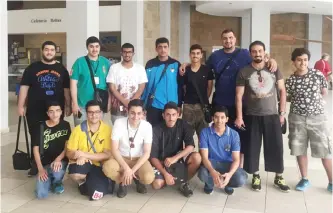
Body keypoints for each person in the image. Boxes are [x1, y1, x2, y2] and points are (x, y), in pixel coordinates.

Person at [180, 28, 277, 167]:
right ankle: (213, 162)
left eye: (230, 38)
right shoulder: (215, 56)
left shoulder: (244, 53)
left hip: (242, 103)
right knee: (218, 134)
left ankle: (238, 167)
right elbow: (201, 67)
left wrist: (272, 60)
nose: (228, 40)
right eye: (225, 38)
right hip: (220, 102)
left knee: (239, 137)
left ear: (235, 39)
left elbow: (260, 59)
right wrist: (187, 64)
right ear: (221, 40)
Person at [235, 40, 290, 193]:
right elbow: (238, 96)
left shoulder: (274, 69)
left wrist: (282, 113)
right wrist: (239, 117)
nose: (257, 54)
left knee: (276, 146)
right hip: (251, 115)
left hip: (272, 115)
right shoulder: (244, 71)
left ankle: (279, 176)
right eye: (254, 51)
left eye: (260, 51)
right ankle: (256, 175)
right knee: (252, 147)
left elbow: (282, 91)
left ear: (265, 52)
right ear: (250, 53)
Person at [18, 41, 71, 177]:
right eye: (46, 49)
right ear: (42, 51)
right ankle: (36, 164)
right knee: (36, 137)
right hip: (35, 109)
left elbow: (66, 90)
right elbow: (24, 87)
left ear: (55, 52)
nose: (49, 52)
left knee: (54, 138)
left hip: (55, 111)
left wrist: (68, 105)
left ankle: (53, 162)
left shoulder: (61, 69)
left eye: (52, 50)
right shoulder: (32, 68)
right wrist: (20, 105)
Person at [286, 48, 332, 192]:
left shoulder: (317, 74)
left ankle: (331, 181)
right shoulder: (291, 80)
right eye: (299, 60)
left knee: (324, 150)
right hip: (297, 118)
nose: (303, 63)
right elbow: (288, 97)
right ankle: (304, 179)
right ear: (293, 62)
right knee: (300, 149)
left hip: (317, 118)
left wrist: (315, 105)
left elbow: (324, 91)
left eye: (305, 60)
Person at [103, 99, 155, 198]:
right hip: (121, 158)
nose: (135, 117)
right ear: (127, 111)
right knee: (108, 168)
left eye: (139, 113)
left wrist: (132, 170)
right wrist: (126, 168)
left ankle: (136, 179)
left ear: (143, 113)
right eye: (132, 113)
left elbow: (147, 152)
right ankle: (123, 183)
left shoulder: (147, 126)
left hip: (138, 159)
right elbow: (114, 149)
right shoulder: (119, 123)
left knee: (148, 177)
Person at [150, 102, 202, 197]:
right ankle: (170, 178)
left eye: (174, 115)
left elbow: (190, 146)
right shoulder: (156, 129)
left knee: (197, 157)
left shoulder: (183, 124)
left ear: (178, 115)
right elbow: (153, 157)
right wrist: (165, 173)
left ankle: (183, 182)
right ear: (163, 115)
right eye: (168, 115)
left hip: (177, 160)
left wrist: (175, 158)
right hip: (161, 162)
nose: (171, 118)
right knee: (156, 185)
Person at [66, 100, 112, 200]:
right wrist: (77, 155)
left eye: (97, 112)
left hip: (99, 166)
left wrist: (84, 155)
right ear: (86, 114)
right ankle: (82, 181)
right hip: (83, 164)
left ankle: (92, 182)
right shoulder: (78, 129)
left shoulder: (107, 130)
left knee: (96, 195)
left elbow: (107, 155)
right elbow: (69, 152)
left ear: (101, 113)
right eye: (91, 112)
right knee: (76, 173)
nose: (94, 115)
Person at [198, 106, 248, 195]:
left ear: (227, 119)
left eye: (222, 117)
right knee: (202, 173)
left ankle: (227, 183)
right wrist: (213, 172)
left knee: (241, 178)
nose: (219, 120)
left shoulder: (234, 134)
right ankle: (210, 184)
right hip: (212, 162)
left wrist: (229, 175)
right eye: (216, 117)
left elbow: (236, 159)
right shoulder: (204, 132)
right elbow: (204, 158)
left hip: (227, 164)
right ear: (212, 118)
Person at [33, 101, 71, 199]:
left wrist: (58, 159)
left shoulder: (66, 125)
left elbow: (67, 146)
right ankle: (48, 178)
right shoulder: (40, 126)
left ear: (61, 112)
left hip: (60, 161)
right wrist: (40, 169)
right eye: (51, 111)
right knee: (41, 194)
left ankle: (56, 182)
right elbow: (35, 149)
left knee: (57, 171)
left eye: (58, 111)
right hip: (45, 163)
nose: (55, 114)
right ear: (47, 113)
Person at [70, 36, 111, 126]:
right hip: (82, 105)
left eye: (97, 46)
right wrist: (75, 104)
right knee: (81, 132)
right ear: (87, 48)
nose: (94, 49)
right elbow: (73, 84)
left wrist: (109, 102)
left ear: (100, 47)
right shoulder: (79, 62)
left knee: (97, 132)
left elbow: (110, 85)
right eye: (91, 46)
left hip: (99, 105)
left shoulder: (106, 63)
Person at [141, 37, 182, 126]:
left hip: (171, 105)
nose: (163, 50)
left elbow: (180, 86)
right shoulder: (150, 64)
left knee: (170, 133)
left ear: (168, 48)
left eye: (165, 47)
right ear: (156, 49)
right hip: (153, 105)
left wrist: (179, 105)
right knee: (154, 132)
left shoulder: (175, 64)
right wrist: (143, 104)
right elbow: (145, 85)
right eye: (160, 47)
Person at [179, 44, 214, 140]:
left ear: (201, 55)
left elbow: (209, 88)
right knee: (187, 135)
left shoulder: (207, 70)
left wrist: (204, 101)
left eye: (198, 53)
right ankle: (188, 155)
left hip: (202, 106)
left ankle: (203, 155)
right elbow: (183, 87)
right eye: (193, 53)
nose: (195, 55)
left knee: (203, 136)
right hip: (188, 106)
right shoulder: (185, 70)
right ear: (190, 55)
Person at [106, 43, 147, 124]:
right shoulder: (114, 68)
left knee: (135, 131)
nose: (127, 54)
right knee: (119, 131)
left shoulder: (140, 68)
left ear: (133, 53)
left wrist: (131, 103)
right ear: (121, 53)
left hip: (136, 108)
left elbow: (141, 88)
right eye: (125, 52)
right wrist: (124, 101)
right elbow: (112, 88)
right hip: (118, 109)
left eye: (129, 52)